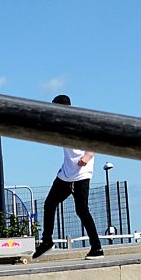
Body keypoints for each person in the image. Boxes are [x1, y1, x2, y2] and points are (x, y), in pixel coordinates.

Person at [33, 93, 104, 259]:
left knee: (82, 210)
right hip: (66, 173)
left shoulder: (80, 120)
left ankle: (97, 248)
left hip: (82, 173)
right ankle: (47, 241)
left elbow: (96, 140)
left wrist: (86, 157)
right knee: (49, 204)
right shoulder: (59, 123)